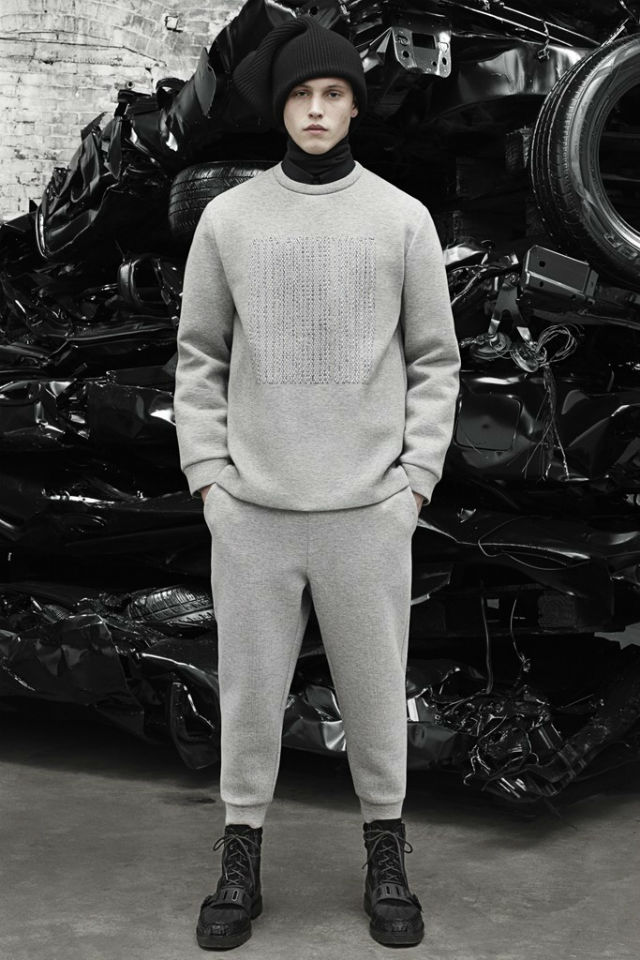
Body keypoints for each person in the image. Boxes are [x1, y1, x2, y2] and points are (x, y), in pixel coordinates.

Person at [173, 14, 461, 951]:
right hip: (253, 510)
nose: (317, 109)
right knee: (249, 695)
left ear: (354, 107)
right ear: (281, 107)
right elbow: (199, 357)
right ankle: (239, 861)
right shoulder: (229, 220)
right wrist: (210, 478)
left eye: (334, 93)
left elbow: (436, 360)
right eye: (301, 94)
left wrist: (414, 482)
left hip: (368, 510)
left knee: (375, 698)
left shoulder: (402, 219)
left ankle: (386, 858)